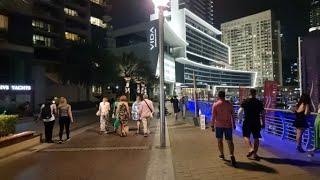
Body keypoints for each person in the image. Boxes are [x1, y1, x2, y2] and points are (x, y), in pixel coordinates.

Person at [238, 89, 265, 160]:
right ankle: (255, 154)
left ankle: (250, 148)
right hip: (256, 121)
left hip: (247, 121)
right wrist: (263, 122)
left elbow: (240, 111)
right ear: (255, 94)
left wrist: (240, 119)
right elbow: (263, 113)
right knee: (256, 137)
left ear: (249, 93)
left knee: (245, 136)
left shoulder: (245, 101)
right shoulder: (259, 102)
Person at [212, 91, 237, 167]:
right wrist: (234, 124)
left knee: (219, 140)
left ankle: (222, 154)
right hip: (228, 125)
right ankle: (232, 155)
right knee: (230, 141)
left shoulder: (215, 105)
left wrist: (212, 125)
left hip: (219, 125)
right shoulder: (229, 104)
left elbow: (213, 116)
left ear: (218, 96)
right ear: (224, 96)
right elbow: (233, 115)